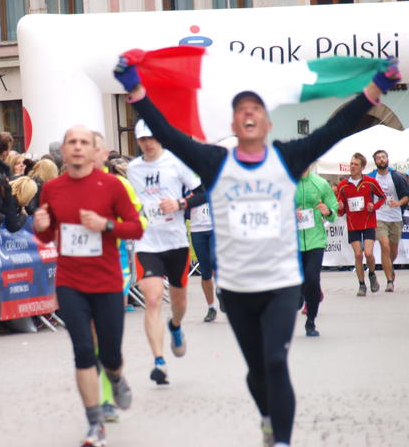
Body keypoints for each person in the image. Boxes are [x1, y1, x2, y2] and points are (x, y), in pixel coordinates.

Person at [114, 52, 400, 447]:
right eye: (241, 110)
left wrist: (376, 88)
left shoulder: (287, 157)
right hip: (238, 288)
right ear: (234, 125)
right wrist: (134, 89)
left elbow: (336, 128)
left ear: (267, 123)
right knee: (257, 371)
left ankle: (281, 440)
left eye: (256, 109)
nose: (248, 113)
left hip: (281, 283)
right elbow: (169, 134)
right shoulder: (215, 162)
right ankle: (268, 416)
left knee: (276, 361)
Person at [33, 125, 143, 447]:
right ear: (64, 151)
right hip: (70, 282)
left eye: (84, 142)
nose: (78, 146)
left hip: (107, 281)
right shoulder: (52, 188)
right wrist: (41, 227)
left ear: (94, 150)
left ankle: (116, 376)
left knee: (110, 354)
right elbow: (46, 233)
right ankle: (95, 423)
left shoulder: (112, 186)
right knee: (83, 351)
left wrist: (105, 225)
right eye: (72, 142)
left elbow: (135, 228)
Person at [126, 119, 199, 385]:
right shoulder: (133, 169)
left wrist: (180, 203)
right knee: (153, 299)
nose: (148, 144)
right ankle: (159, 362)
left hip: (176, 241)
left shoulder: (176, 162)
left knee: (179, 304)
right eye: (143, 139)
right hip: (147, 243)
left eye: (152, 138)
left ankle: (175, 326)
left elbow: (202, 192)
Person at [93, 131, 147, 423]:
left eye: (94, 147)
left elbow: (140, 221)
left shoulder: (120, 185)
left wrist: (110, 226)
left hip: (114, 267)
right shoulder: (61, 187)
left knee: (108, 339)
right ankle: (102, 400)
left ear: (104, 154)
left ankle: (112, 382)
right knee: (89, 343)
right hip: (77, 274)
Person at [336, 153, 386, 296]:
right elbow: (340, 212)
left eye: (356, 164)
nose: (352, 166)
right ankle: (362, 285)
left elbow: (382, 197)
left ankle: (372, 274)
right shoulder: (342, 186)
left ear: (362, 167)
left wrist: (374, 206)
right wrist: (340, 207)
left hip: (368, 222)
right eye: (351, 164)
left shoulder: (370, 182)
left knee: (368, 253)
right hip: (353, 225)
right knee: (358, 255)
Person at [296, 168, 338, 336]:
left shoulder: (320, 183)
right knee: (299, 281)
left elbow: (333, 208)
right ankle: (300, 293)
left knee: (312, 279)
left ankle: (311, 322)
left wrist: (328, 211)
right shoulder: (286, 183)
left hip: (316, 240)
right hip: (293, 241)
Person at [367, 149, 409, 292]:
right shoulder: (371, 178)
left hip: (396, 217)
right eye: (378, 158)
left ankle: (389, 266)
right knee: (384, 246)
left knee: (393, 250)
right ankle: (389, 281)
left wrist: (398, 203)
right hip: (379, 217)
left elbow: (406, 196)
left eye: (383, 157)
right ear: (375, 161)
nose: (381, 160)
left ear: (387, 159)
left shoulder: (397, 176)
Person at [188, 183, 218, 323]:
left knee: (215, 260)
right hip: (197, 229)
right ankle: (211, 307)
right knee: (205, 272)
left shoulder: (214, 177)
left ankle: (222, 290)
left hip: (214, 226)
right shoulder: (187, 181)